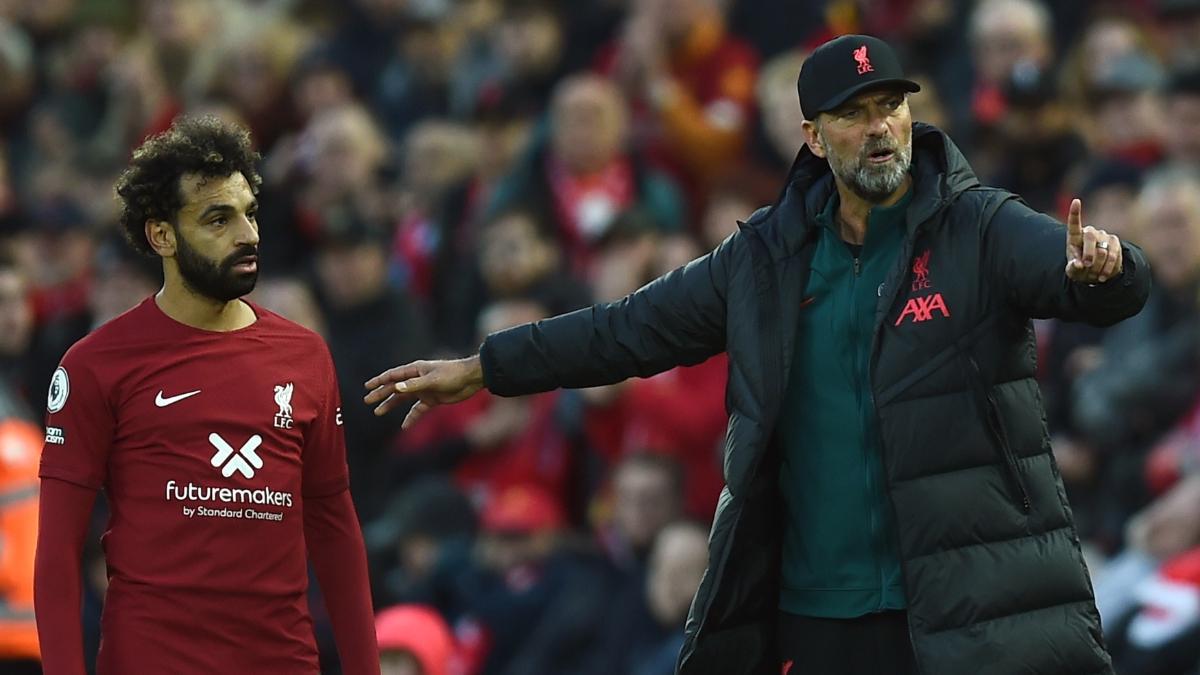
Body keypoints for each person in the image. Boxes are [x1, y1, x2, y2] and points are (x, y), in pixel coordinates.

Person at [365, 35, 1151, 674]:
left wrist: (1109, 271)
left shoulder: (980, 227)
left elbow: (1088, 277)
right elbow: (624, 329)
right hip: (817, 612)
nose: (880, 127)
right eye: (853, 114)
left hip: (964, 605)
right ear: (812, 135)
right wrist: (485, 367)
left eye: (890, 107)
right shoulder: (762, 260)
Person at [33, 115, 378, 674]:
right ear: (162, 235)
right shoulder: (96, 365)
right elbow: (56, 557)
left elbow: (335, 530)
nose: (248, 234)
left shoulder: (306, 356)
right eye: (218, 219)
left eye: (249, 212)